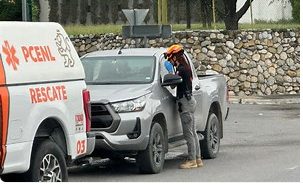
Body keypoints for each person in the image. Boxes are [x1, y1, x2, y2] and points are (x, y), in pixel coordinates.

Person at [165, 45, 203, 169]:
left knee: (188, 133)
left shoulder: (181, 70)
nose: (169, 61)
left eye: (170, 58)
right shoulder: (185, 67)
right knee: (193, 132)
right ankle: (197, 159)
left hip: (185, 103)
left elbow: (172, 86)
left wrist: (170, 72)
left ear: (175, 57)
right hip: (190, 100)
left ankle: (192, 160)